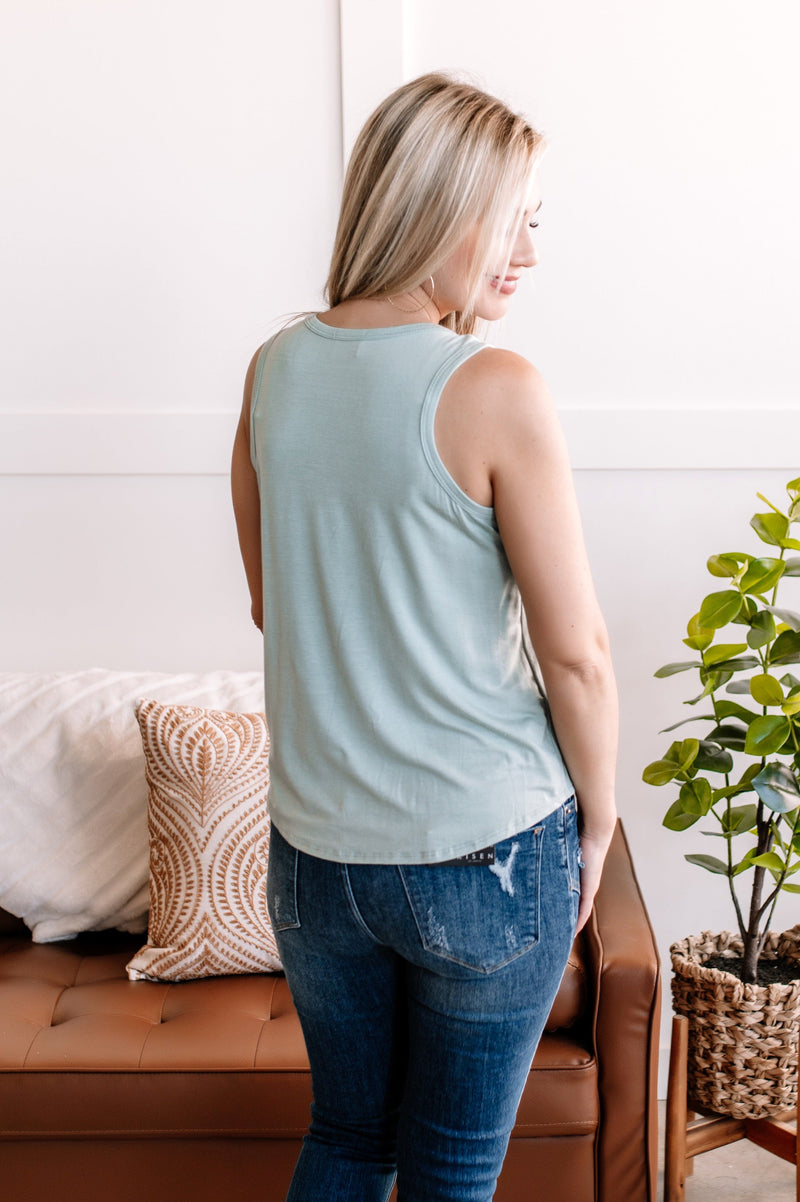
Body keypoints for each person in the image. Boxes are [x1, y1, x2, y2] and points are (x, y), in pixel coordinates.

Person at [231, 72, 618, 1202]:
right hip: (487, 856)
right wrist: (598, 821)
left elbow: (274, 605)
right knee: (449, 1168)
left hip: (315, 863)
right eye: (514, 220)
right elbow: (578, 652)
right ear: (440, 205)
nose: (527, 255)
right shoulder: (491, 385)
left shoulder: (272, 371)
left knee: (347, 1137)